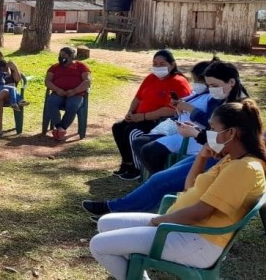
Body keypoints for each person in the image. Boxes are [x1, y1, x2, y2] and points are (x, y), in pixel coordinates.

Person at [90, 100, 266, 280]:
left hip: (197, 241)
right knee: (105, 223)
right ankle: (136, 273)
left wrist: (157, 222)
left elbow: (199, 213)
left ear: (231, 132)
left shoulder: (244, 168)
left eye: (213, 128)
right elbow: (191, 187)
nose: (208, 134)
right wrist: (201, 157)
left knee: (98, 245)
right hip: (185, 230)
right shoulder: (232, 159)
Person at [82, 62, 250, 219]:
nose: (211, 90)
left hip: (223, 161)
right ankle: (117, 210)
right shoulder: (221, 99)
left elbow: (227, 143)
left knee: (161, 181)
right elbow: (216, 135)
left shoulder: (239, 109)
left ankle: (114, 210)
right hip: (211, 154)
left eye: (214, 86)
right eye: (209, 85)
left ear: (232, 82)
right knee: (159, 178)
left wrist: (196, 133)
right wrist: (196, 131)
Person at [111, 49, 191, 180]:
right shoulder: (151, 78)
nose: (158, 67)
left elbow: (170, 110)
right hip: (139, 116)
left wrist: (143, 117)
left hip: (158, 121)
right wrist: (130, 112)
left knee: (132, 133)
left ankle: (138, 169)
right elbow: (138, 97)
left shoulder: (178, 82)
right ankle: (127, 163)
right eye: (155, 64)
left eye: (162, 64)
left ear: (172, 65)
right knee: (118, 127)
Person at [130, 59, 214, 174]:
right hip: (178, 130)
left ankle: (159, 178)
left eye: (198, 80)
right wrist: (178, 106)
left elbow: (209, 122)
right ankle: (153, 177)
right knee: (139, 143)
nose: (195, 83)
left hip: (191, 137)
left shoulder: (213, 98)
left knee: (149, 151)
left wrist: (189, 108)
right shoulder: (197, 93)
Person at [43, 47, 92, 142]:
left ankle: (62, 129)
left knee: (72, 106)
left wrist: (74, 91)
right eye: (60, 55)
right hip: (58, 93)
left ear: (71, 56)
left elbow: (87, 81)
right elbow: (47, 81)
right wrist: (57, 90)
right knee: (51, 102)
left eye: (64, 55)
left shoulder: (81, 66)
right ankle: (60, 127)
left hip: (76, 94)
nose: (61, 57)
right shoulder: (54, 67)